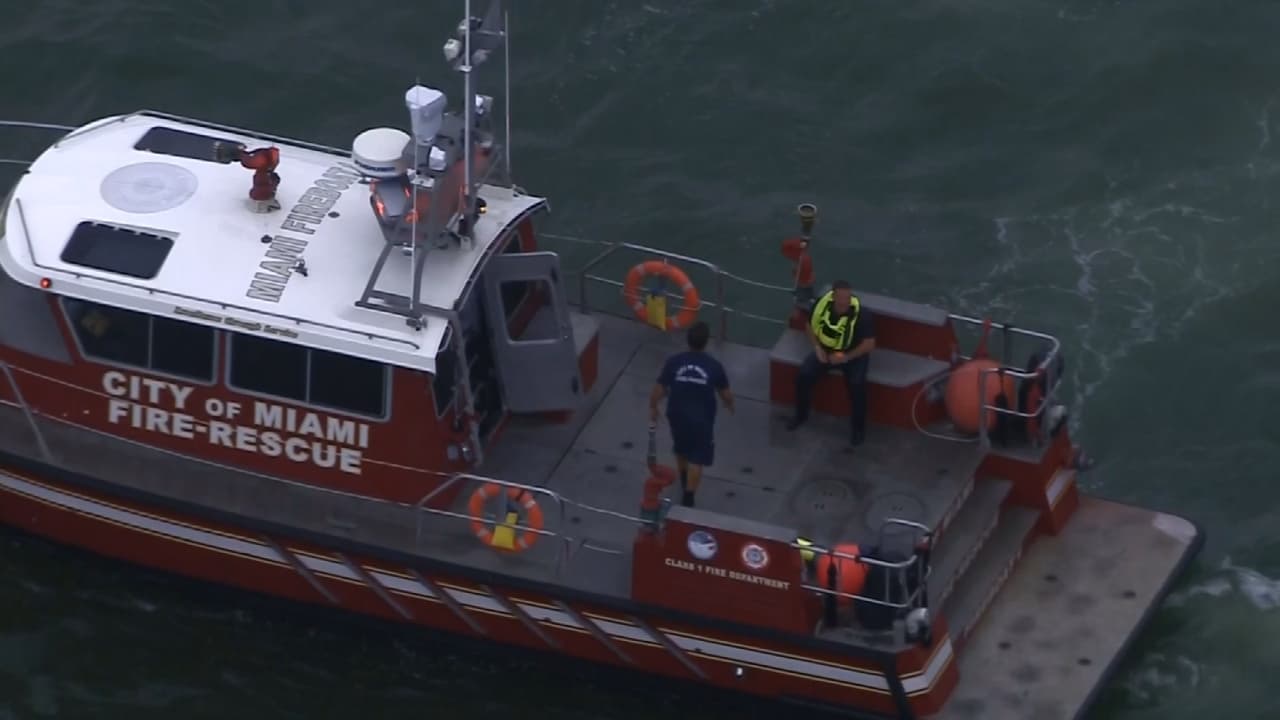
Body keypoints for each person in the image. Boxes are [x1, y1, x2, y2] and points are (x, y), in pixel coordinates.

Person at [648, 321, 734, 508]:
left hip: (676, 415)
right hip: (701, 420)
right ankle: (688, 496)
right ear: (706, 342)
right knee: (697, 458)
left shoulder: (674, 362)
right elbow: (726, 394)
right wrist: (729, 405)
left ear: (688, 341)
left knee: (681, 449)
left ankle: (683, 477)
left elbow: (659, 389)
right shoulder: (714, 366)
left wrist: (653, 407)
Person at [785, 280, 876, 446]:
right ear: (833, 297)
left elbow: (869, 344)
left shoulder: (862, 314)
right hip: (826, 350)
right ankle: (800, 416)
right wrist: (817, 348)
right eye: (841, 298)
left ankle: (858, 430)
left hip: (853, 355)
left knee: (857, 386)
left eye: (848, 298)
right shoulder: (821, 305)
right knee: (804, 376)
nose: (845, 302)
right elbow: (809, 326)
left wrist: (846, 357)